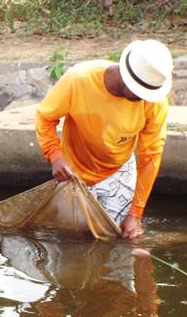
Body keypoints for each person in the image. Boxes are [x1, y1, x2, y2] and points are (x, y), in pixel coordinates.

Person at [35, 39, 173, 239]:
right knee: (70, 238)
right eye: (140, 93)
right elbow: (45, 117)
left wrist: (135, 213)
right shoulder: (79, 80)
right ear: (126, 78)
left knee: (118, 238)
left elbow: (151, 155)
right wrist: (55, 156)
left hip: (119, 170)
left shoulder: (154, 102)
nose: (145, 98)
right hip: (74, 171)